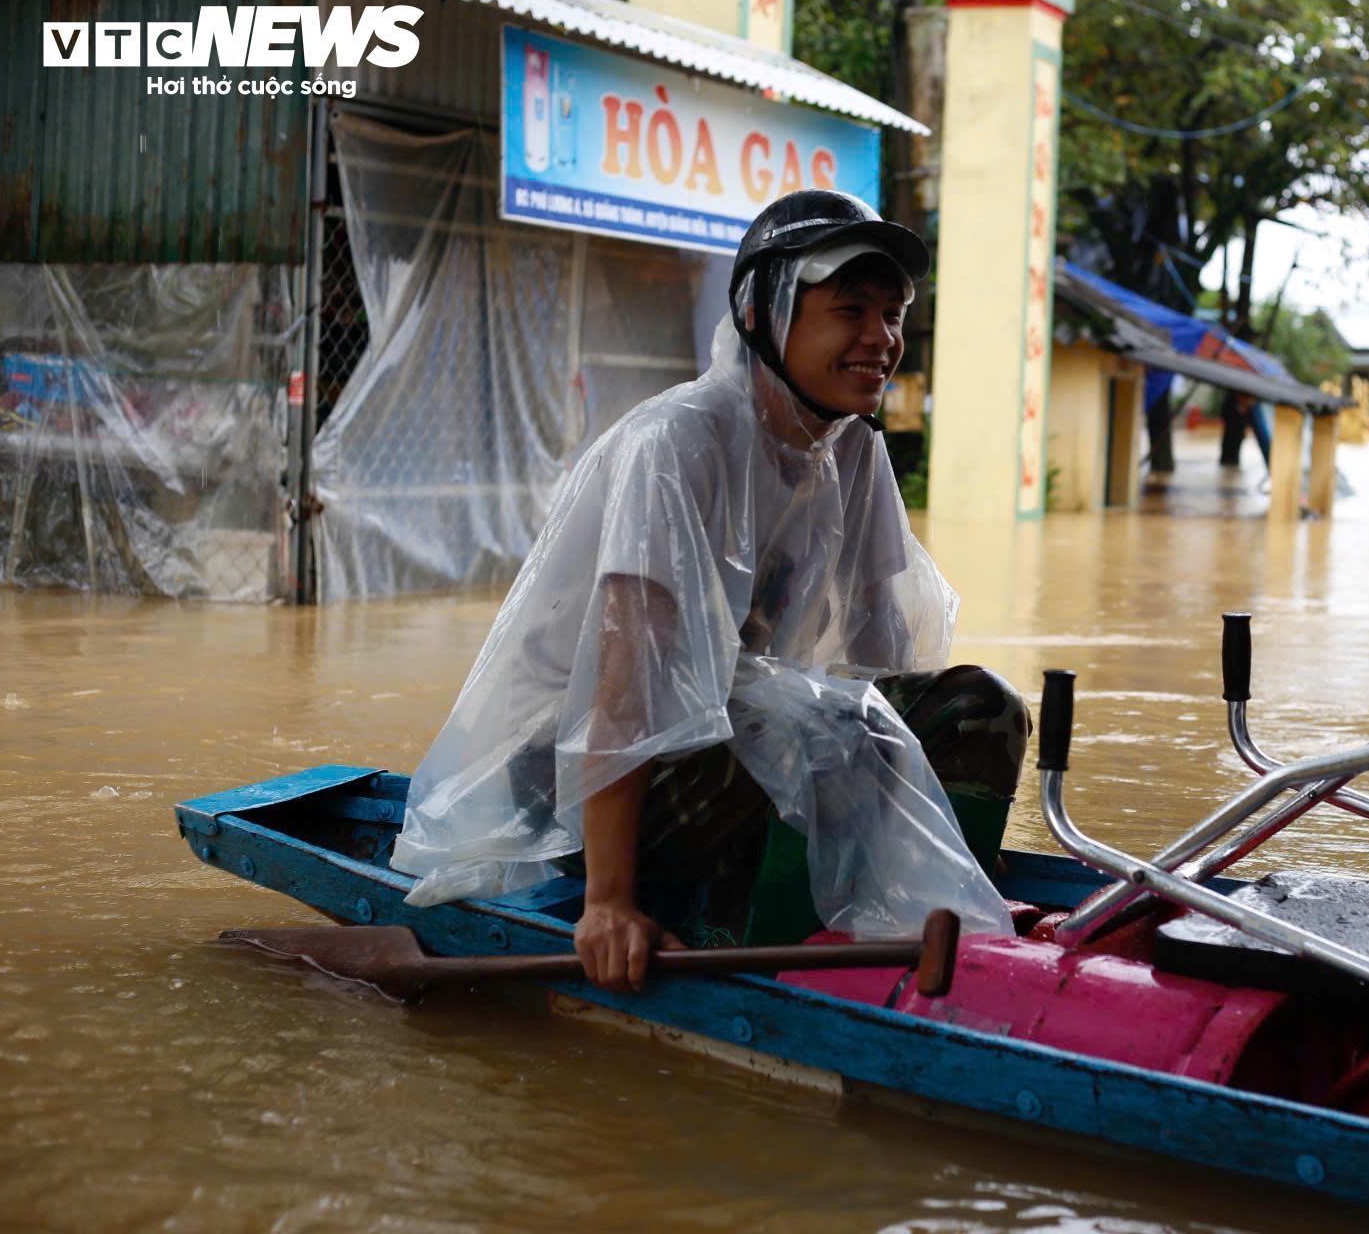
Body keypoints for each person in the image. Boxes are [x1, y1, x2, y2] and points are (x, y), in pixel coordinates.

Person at [390, 190, 1025, 990]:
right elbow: (624, 682)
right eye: (851, 309)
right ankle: (722, 929)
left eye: (894, 312)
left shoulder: (851, 450)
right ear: (766, 312)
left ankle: (931, 914)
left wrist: (943, 835)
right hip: (578, 788)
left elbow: (878, 657)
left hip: (746, 741)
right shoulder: (677, 443)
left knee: (983, 705)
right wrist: (609, 901)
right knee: (808, 729)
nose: (882, 338)